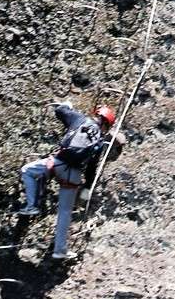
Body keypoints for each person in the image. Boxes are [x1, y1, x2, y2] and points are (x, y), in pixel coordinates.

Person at [17, 101, 124, 261]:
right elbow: (91, 170)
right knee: (65, 212)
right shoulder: (99, 142)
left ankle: (31, 206)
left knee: (27, 171)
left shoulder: (79, 119)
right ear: (106, 126)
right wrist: (87, 189)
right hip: (72, 175)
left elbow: (59, 110)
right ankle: (60, 250)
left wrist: (67, 105)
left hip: (56, 163)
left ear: (96, 115)